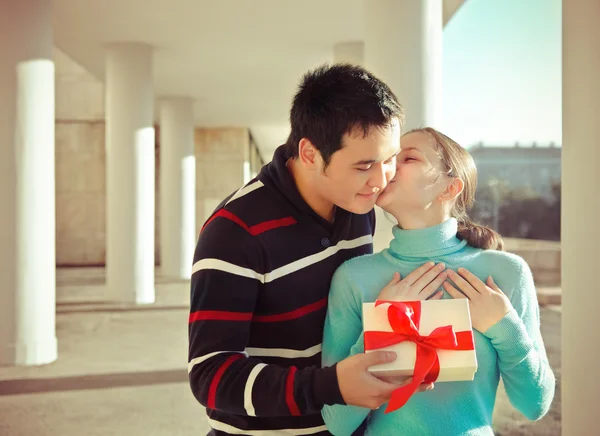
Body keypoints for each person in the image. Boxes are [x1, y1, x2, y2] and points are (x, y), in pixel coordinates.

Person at [188, 65, 443, 436]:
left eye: (389, 159)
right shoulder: (235, 232)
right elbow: (210, 375)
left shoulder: (356, 206)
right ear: (309, 153)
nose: (381, 179)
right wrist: (332, 386)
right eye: (364, 165)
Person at [321, 127, 556, 435]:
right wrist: (384, 325)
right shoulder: (354, 277)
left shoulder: (506, 273)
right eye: (390, 157)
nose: (389, 166)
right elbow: (337, 423)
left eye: (409, 157)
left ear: (449, 188)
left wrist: (504, 326)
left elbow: (535, 404)